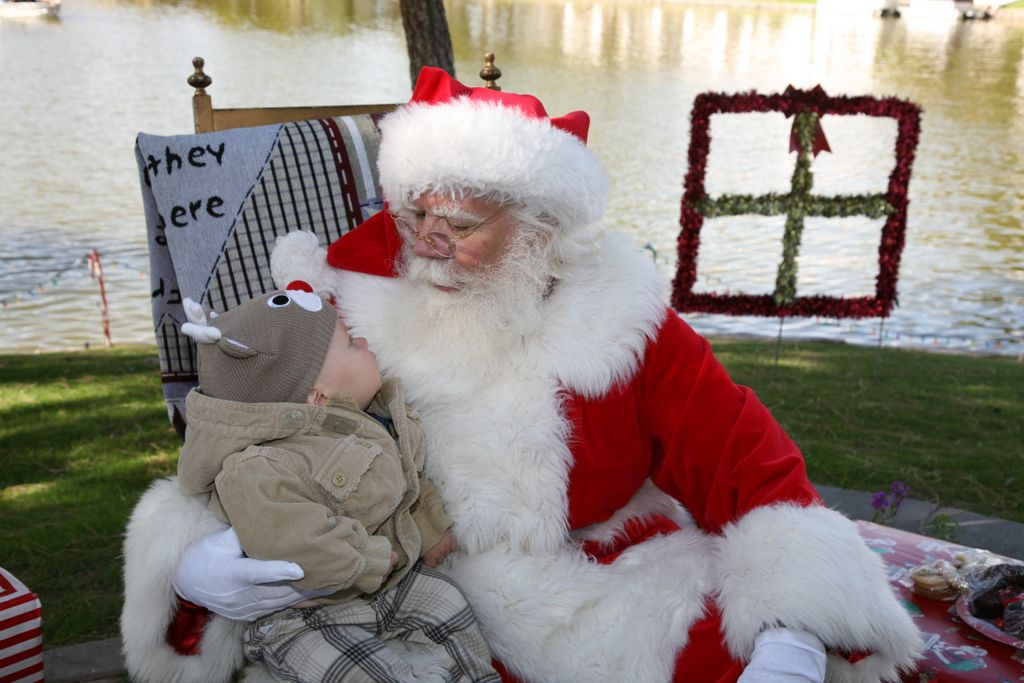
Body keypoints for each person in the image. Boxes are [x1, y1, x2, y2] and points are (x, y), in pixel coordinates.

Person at [122, 67, 923, 683]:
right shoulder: (348, 304)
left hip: (612, 585)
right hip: (403, 594)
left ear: (540, 227)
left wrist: (789, 625)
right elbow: (249, 440)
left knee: (789, 641)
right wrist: (193, 560)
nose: (427, 242)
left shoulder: (621, 317)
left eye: (462, 226)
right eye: (414, 215)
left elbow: (745, 458)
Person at [140, 286, 498, 683]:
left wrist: (429, 527)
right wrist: (365, 558)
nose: (363, 341)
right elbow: (293, 537)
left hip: (394, 583)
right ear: (318, 396)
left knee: (449, 607)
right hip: (306, 616)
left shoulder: (374, 421)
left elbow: (406, 479)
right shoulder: (259, 468)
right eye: (350, 343)